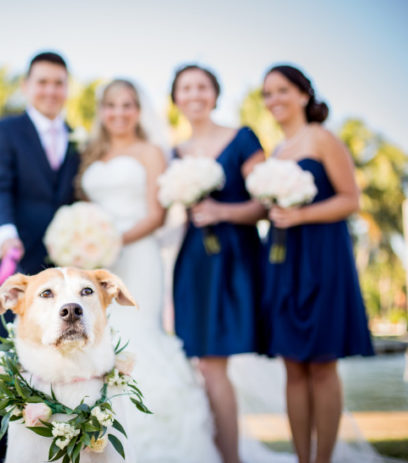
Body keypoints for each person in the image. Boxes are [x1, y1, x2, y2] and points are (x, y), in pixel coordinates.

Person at [79, 78, 221, 463]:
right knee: (100, 348)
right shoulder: (92, 153)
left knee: (138, 340)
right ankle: (97, 442)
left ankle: (155, 445)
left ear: (138, 111)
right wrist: (82, 246)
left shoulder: (151, 152)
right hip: (94, 269)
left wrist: (112, 242)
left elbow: (156, 216)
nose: (119, 113)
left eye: (127, 105)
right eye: (111, 105)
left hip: (137, 259)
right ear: (102, 111)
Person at [261, 64, 374, 463]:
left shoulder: (323, 139)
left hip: (322, 258)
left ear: (303, 95)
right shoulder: (276, 151)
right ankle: (301, 458)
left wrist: (301, 216)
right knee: (292, 367)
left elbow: (350, 199)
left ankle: (323, 460)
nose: (274, 99)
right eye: (268, 93)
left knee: (323, 364)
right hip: (282, 260)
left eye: (282, 90)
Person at [0, 51, 79, 463]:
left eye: (59, 82)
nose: (51, 90)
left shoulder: (78, 137)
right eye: (43, 82)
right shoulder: (4, 131)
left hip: (61, 281)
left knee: (57, 371)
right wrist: (4, 234)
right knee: (5, 371)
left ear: (67, 89)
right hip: (12, 272)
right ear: (26, 86)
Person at [169, 64, 267, 463]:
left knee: (213, 365)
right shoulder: (173, 152)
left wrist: (220, 212)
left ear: (215, 93)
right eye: (186, 88)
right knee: (198, 364)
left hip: (234, 259)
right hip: (193, 261)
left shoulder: (242, 138)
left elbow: (266, 202)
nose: (194, 94)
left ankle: (231, 458)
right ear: (175, 98)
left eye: (202, 86)